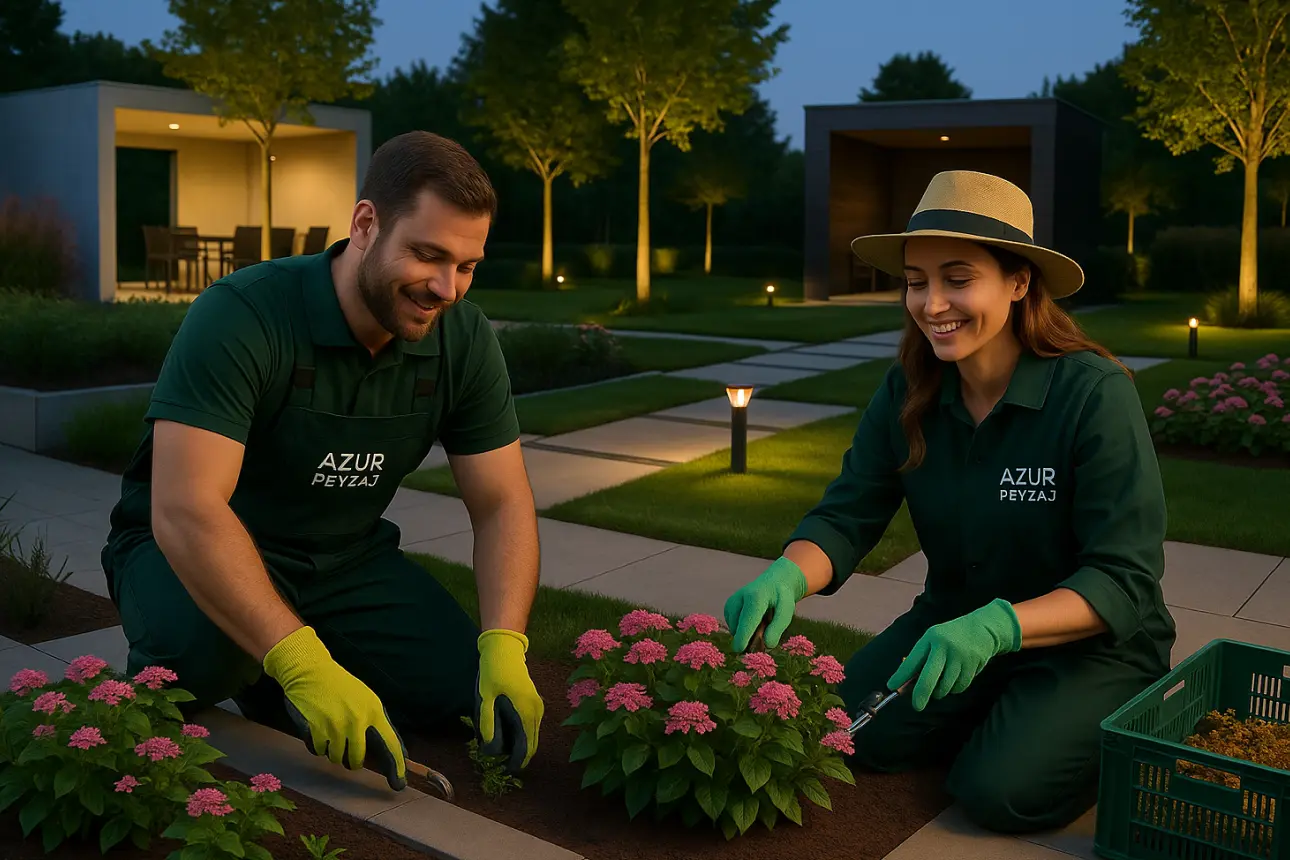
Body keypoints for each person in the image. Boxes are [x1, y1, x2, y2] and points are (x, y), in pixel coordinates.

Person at [723, 170, 1175, 834]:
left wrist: (999, 629)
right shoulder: (909, 388)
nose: (932, 303)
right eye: (915, 280)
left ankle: (1088, 713)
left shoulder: (1093, 394)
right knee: (849, 735)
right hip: (951, 626)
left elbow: (1124, 579)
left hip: (1089, 646)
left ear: (1019, 281)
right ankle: (1001, 709)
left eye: (958, 278)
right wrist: (789, 573)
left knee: (997, 791)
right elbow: (849, 511)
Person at [100, 131, 545, 790]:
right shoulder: (245, 313)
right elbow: (184, 509)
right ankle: (262, 665)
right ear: (366, 223)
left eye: (468, 265)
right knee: (201, 662)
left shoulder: (463, 339)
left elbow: (503, 501)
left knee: (460, 687)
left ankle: (288, 650)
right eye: (427, 255)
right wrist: (298, 660)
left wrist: (506, 643)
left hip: (346, 559)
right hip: (189, 545)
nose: (447, 288)